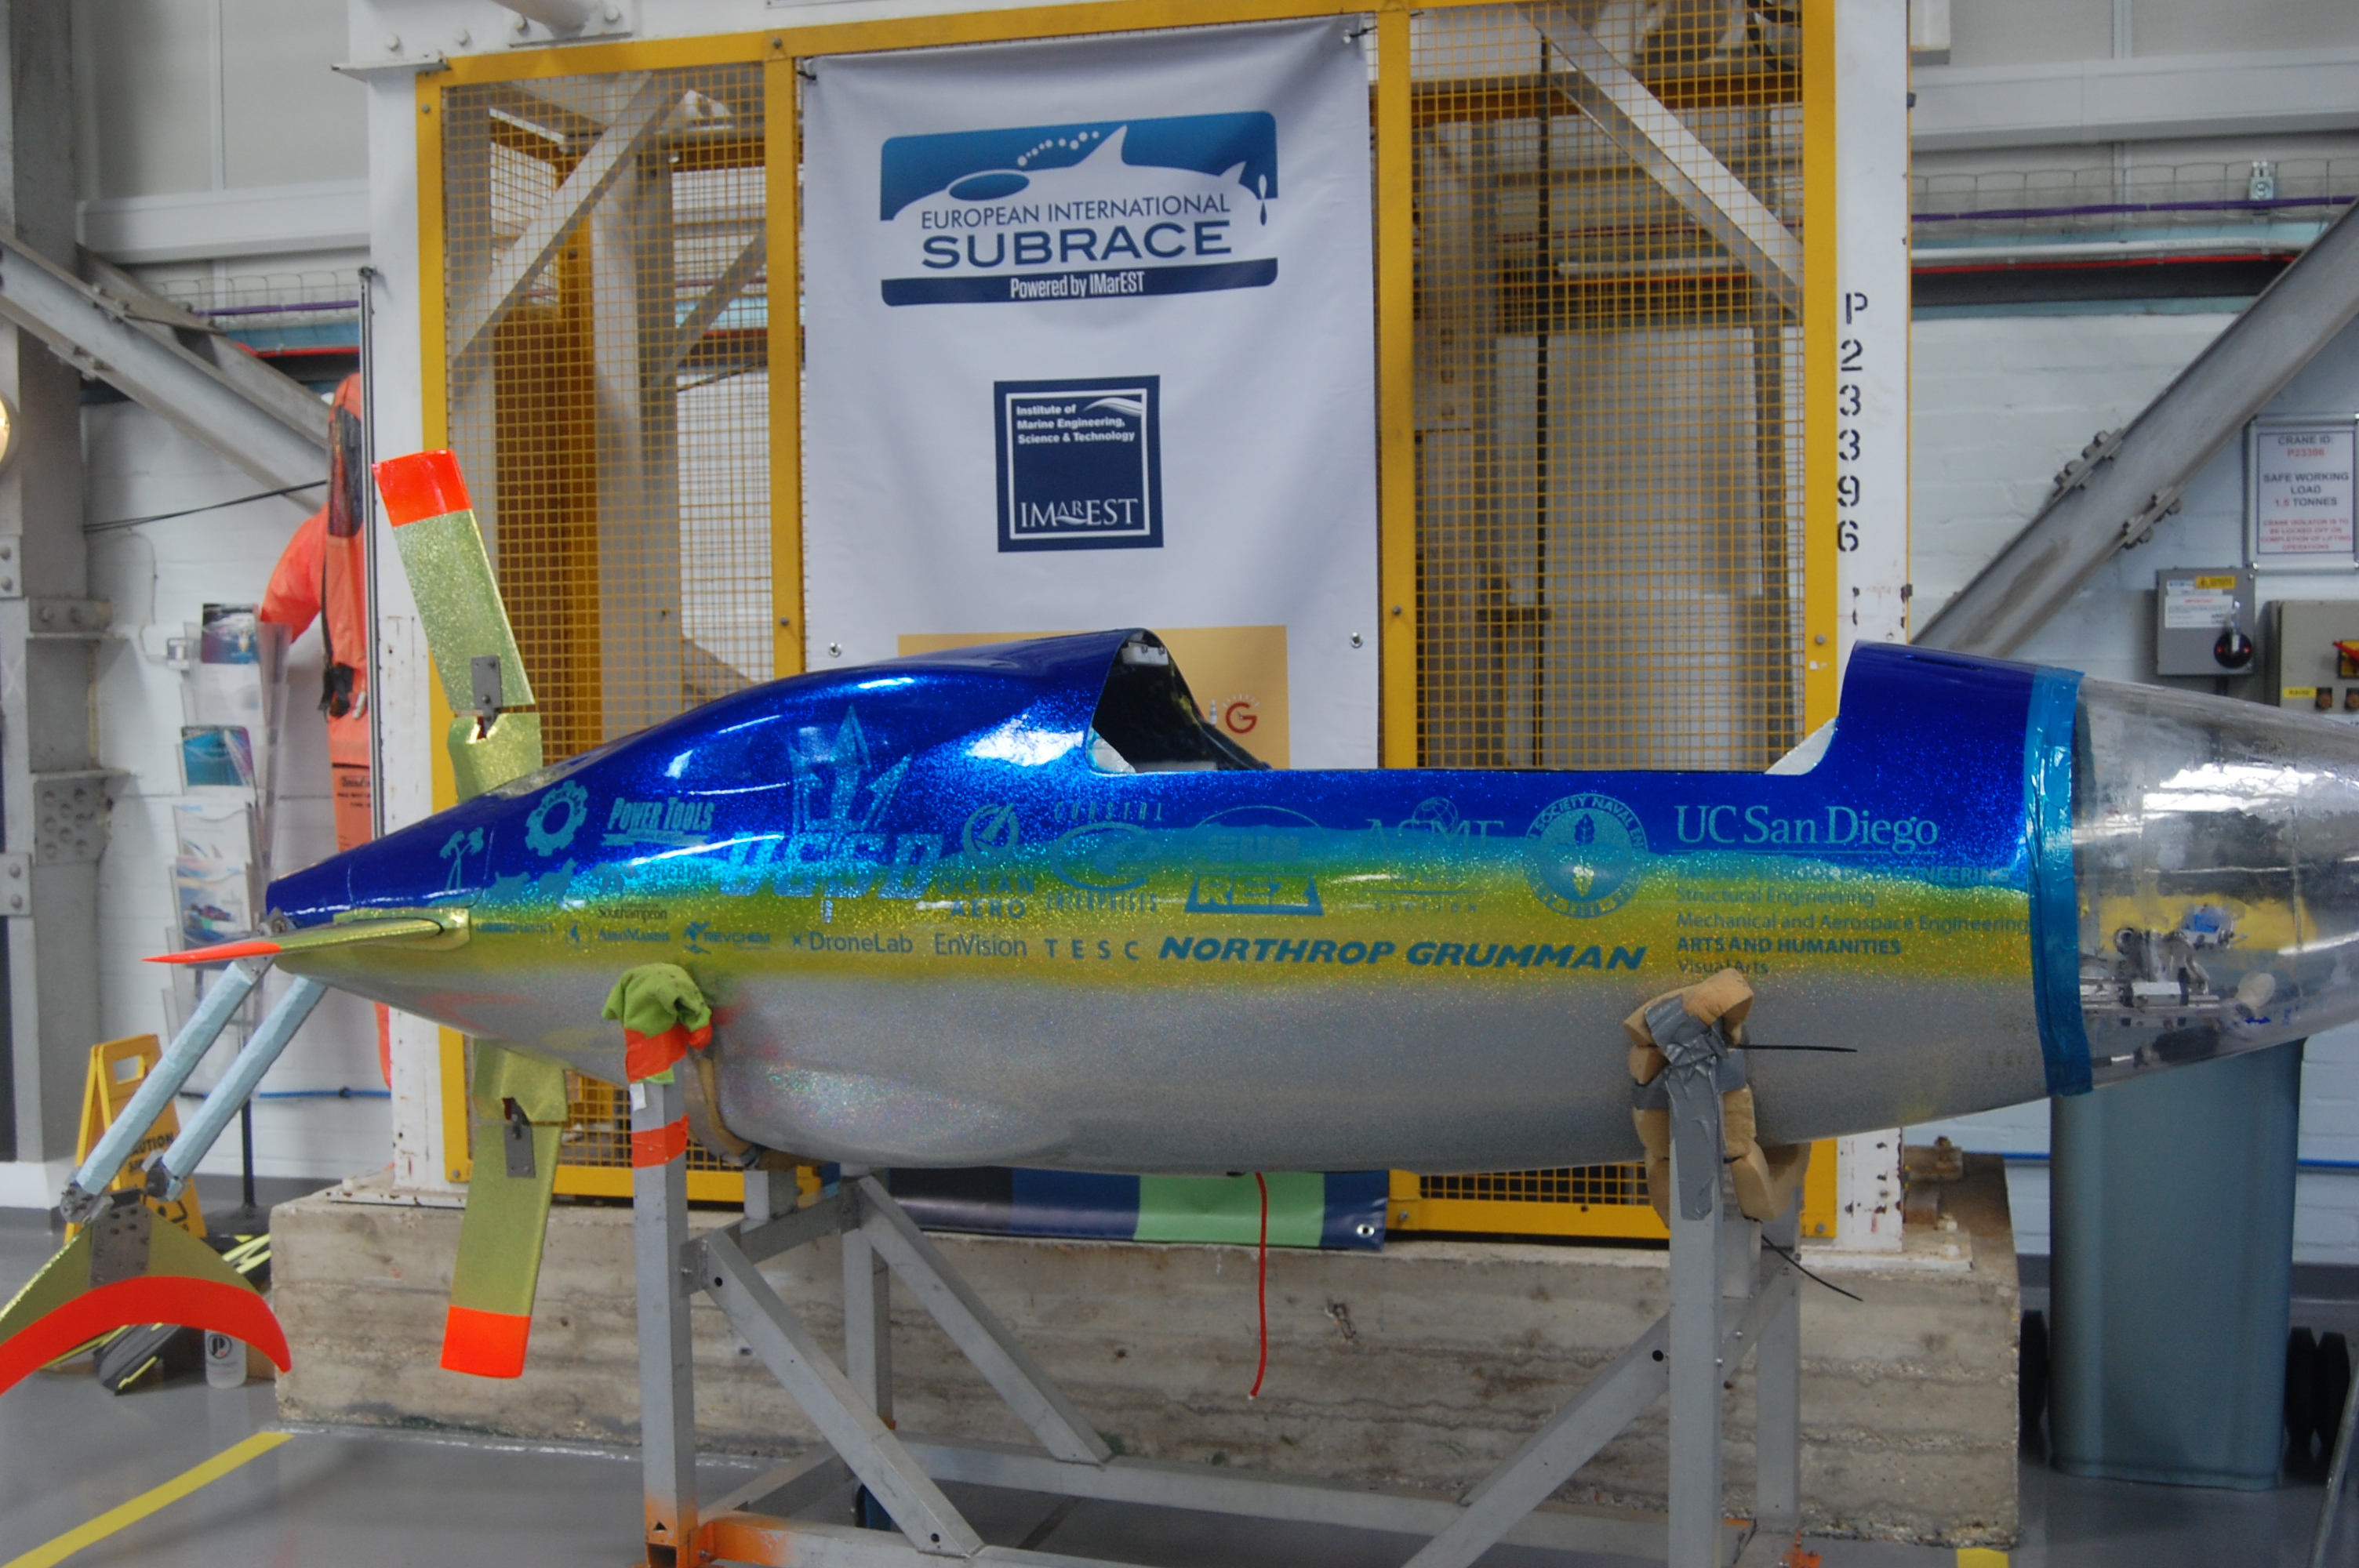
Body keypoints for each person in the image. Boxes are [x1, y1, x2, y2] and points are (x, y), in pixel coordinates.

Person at [259, 375, 371, 853]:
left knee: (369, 878)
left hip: (353, 739)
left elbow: (270, 628)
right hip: (432, 724)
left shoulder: (318, 536)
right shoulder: (431, 524)